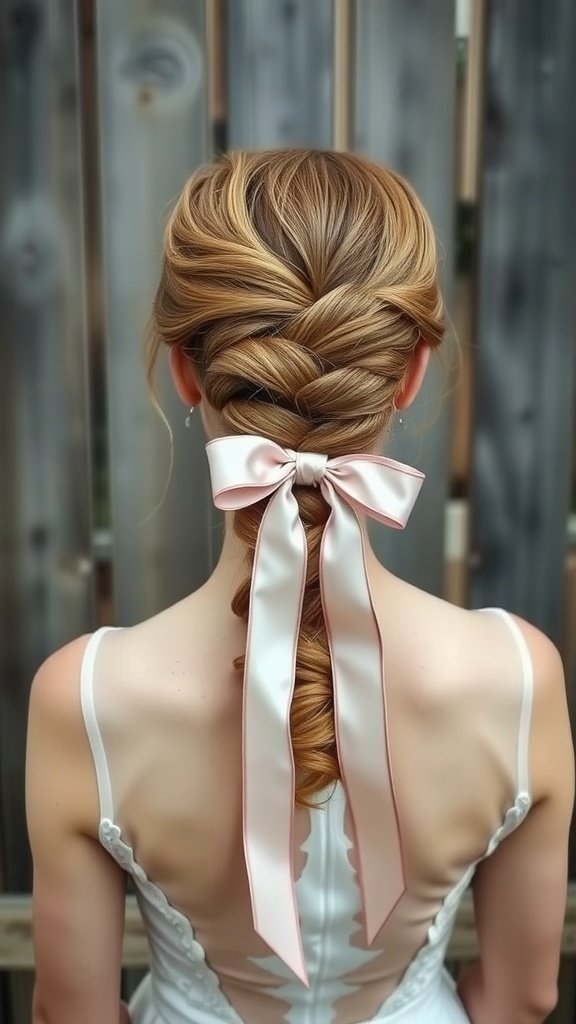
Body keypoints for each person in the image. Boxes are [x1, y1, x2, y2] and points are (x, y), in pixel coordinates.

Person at [26, 149, 573, 1024]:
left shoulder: (83, 698)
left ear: (185, 371)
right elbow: (525, 996)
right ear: (410, 374)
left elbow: (70, 1013)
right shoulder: (518, 677)